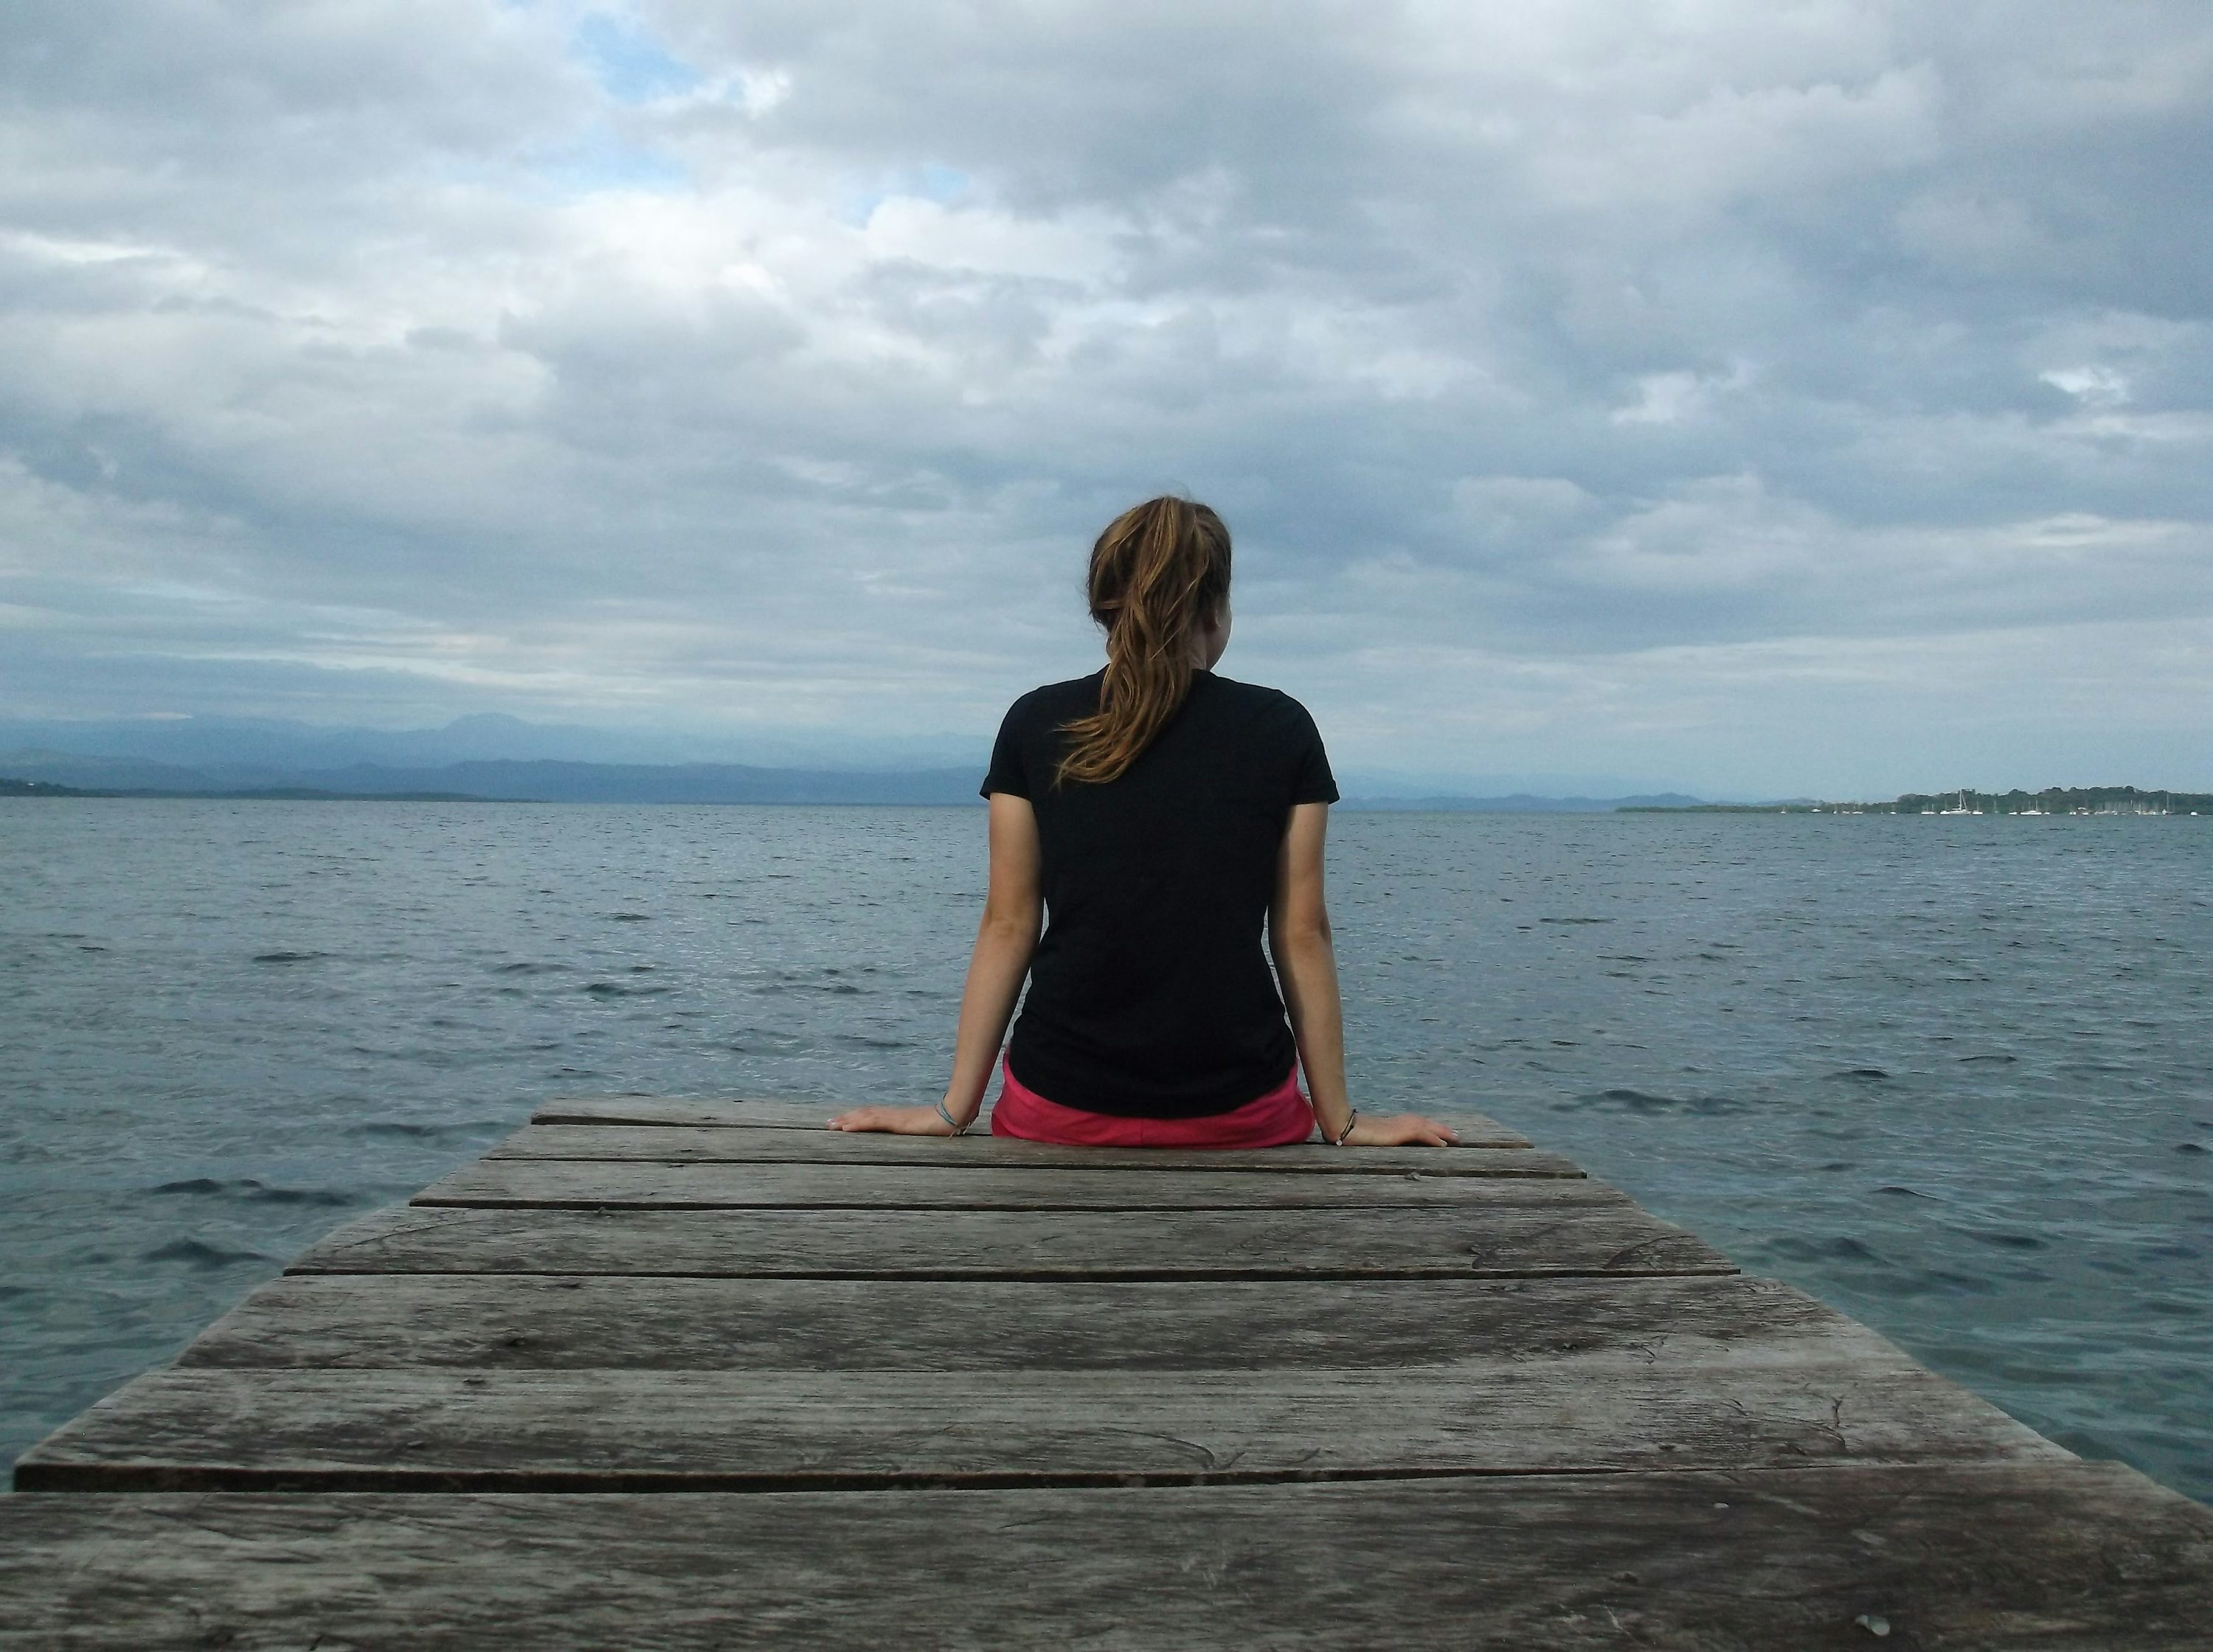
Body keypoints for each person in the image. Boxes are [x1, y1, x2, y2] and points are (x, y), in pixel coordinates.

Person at [829, 496, 1457, 1149]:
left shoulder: (1035, 723)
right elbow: (1301, 932)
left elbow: (1009, 922)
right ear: (1214, 610)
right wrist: (1342, 1121)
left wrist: (953, 1109)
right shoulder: (1281, 729)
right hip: (1239, 1114)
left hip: (1058, 1108)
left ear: (1103, 608)